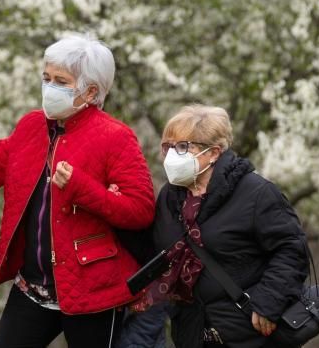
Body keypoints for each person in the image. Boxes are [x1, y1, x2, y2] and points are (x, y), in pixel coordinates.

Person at [0, 34, 156, 348]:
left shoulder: (116, 137)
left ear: (91, 91)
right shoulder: (31, 126)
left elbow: (140, 210)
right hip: (32, 289)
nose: (49, 87)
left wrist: (81, 187)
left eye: (61, 81)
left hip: (92, 292)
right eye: (46, 78)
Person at [132, 105, 308, 348]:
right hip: (192, 333)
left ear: (214, 153)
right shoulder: (170, 197)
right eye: (168, 147)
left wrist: (269, 303)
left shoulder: (257, 193)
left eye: (183, 147)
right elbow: (156, 250)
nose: (171, 155)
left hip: (248, 333)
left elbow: (291, 249)